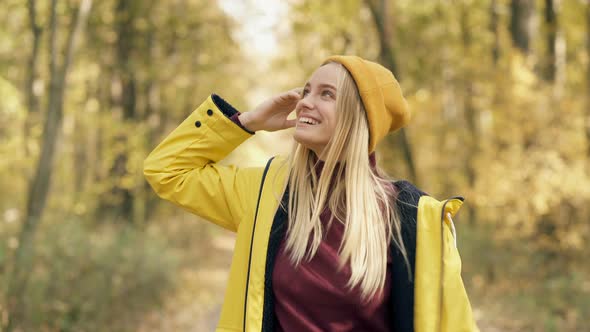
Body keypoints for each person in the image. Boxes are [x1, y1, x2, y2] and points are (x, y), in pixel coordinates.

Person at [144, 55, 479, 332]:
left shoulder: (414, 217)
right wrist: (245, 122)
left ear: (359, 117)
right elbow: (167, 170)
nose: (304, 102)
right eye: (306, 91)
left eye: (327, 94)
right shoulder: (266, 193)